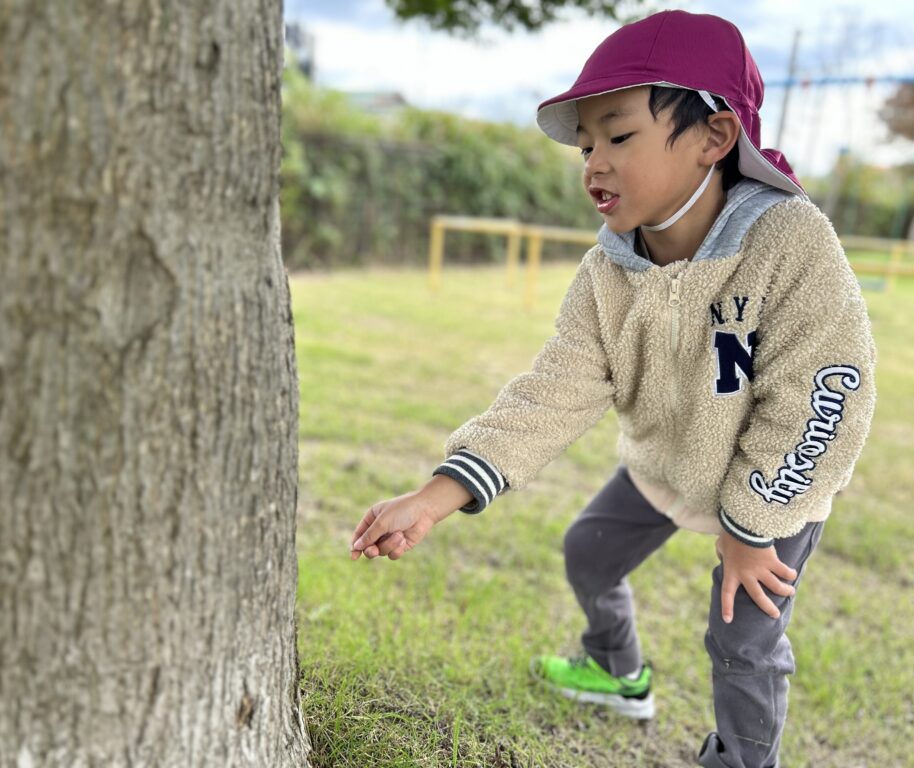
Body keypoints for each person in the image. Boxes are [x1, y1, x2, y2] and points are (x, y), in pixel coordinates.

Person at [349, 10, 877, 768]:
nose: (594, 162)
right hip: (666, 464)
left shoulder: (790, 242)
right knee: (588, 553)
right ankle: (616, 669)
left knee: (743, 640)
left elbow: (823, 394)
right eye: (586, 144)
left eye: (619, 136)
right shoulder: (608, 272)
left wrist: (753, 526)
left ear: (714, 136)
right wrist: (434, 497)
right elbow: (553, 390)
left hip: (773, 490)